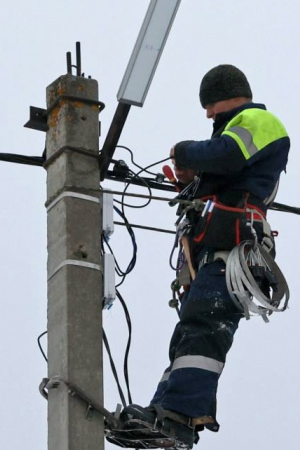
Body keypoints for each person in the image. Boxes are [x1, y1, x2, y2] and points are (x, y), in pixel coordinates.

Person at [109, 64, 290, 449]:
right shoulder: (233, 139)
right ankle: (165, 415)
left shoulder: (260, 121)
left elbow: (227, 155)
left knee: (204, 324)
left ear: (229, 95)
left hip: (234, 253)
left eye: (210, 105)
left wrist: (185, 151)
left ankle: (176, 418)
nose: (208, 114)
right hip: (214, 254)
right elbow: (224, 168)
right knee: (192, 332)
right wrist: (192, 181)